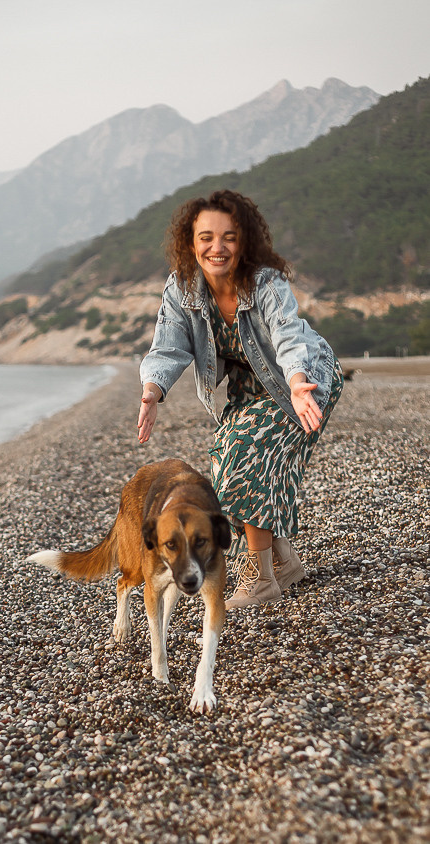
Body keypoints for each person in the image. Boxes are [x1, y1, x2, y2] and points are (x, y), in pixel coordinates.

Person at [137, 189, 343, 609]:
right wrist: (152, 391)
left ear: (244, 240)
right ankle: (284, 561)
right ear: (190, 241)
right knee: (227, 459)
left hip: (302, 381)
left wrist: (300, 381)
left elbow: (287, 334)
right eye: (207, 237)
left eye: (229, 237)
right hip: (247, 388)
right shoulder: (181, 288)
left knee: (242, 457)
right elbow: (169, 347)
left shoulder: (265, 280)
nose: (217, 247)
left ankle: (261, 575)